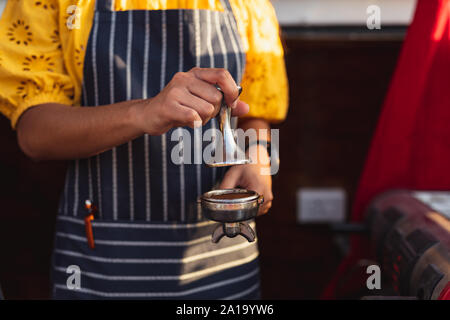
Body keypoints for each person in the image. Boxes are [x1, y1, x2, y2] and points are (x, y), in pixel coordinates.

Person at [0, 0, 288, 299]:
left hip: (223, 249)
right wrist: (144, 112)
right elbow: (35, 135)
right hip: (103, 255)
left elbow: (255, 106)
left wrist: (258, 155)